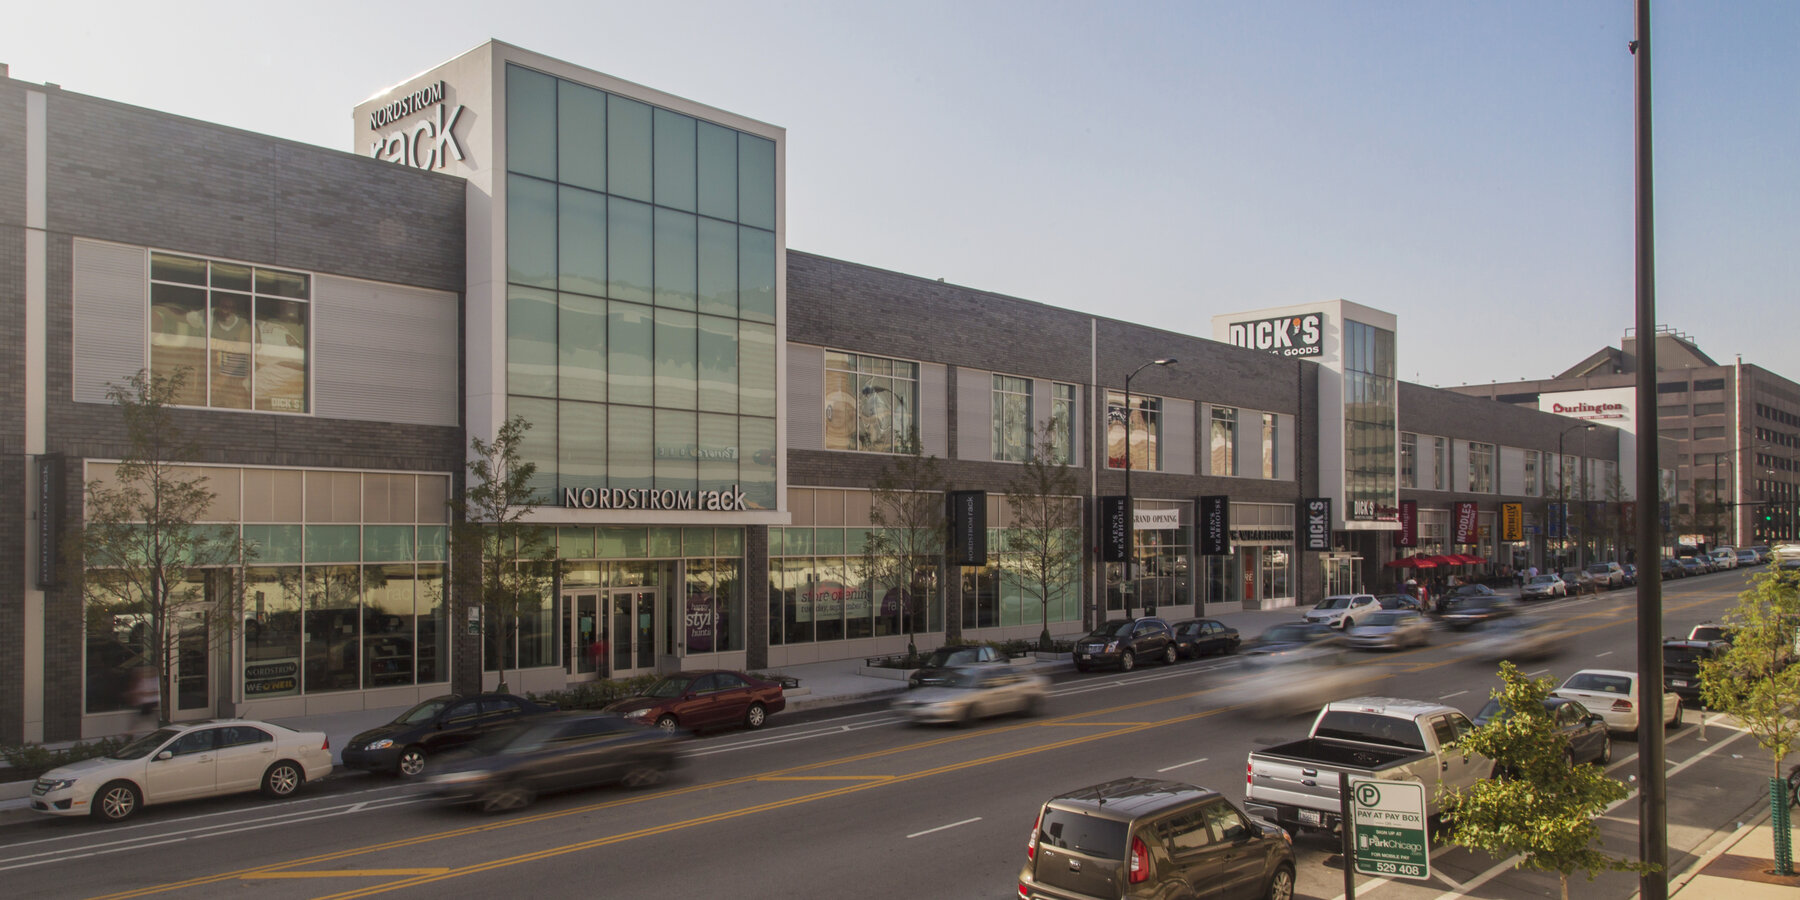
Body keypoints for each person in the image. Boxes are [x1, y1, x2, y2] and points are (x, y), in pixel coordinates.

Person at [124, 666, 159, 736]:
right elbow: (138, 692)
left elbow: (154, 692)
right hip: (144, 703)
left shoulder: (155, 680)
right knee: (142, 716)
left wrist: (144, 694)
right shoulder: (142, 681)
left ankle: (132, 729)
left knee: (143, 716)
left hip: (150, 702)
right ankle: (132, 729)